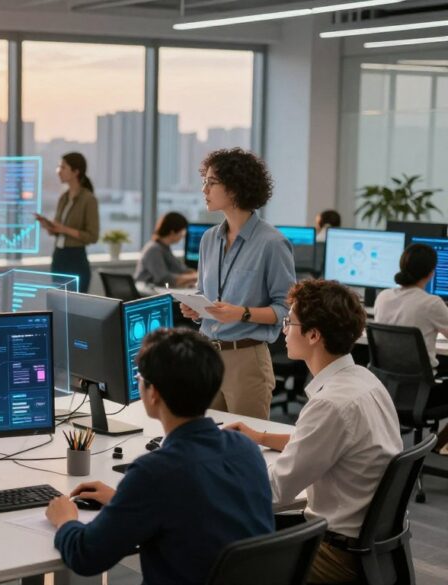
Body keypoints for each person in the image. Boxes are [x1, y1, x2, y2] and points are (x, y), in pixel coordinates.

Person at [46, 328, 273, 584]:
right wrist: (125, 502)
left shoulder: (155, 472)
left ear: (153, 393)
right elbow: (197, 510)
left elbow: (85, 556)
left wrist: (65, 520)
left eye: (140, 377)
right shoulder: (245, 450)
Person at [228, 279, 402, 584]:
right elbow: (326, 444)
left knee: (214, 557)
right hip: (372, 548)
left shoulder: (331, 405)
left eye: (289, 322)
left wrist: (210, 484)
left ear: (312, 335)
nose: (283, 330)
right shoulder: (365, 380)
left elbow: (274, 491)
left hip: (335, 556)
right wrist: (261, 438)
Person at [179, 148, 296, 418]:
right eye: (204, 181)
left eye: (211, 182)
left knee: (245, 447)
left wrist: (241, 313)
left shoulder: (273, 243)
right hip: (208, 355)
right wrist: (197, 309)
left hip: (246, 359)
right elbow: (204, 292)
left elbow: (286, 310)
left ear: (234, 189)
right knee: (206, 443)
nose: (204, 189)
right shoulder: (209, 239)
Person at [373, 243, 448, 454]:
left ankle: (435, 446)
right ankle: (439, 448)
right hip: (422, 395)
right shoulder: (432, 304)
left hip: (388, 391)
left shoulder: (383, 297)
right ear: (431, 272)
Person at [37, 152, 100, 293]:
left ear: (75, 172)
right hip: (59, 257)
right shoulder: (63, 198)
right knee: (59, 306)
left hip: (76, 259)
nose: (59, 171)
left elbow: (93, 236)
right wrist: (49, 226)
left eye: (63, 167)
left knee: (74, 308)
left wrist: (64, 229)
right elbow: (57, 231)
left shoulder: (89, 199)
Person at [134, 212, 197, 288]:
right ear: (172, 232)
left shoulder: (164, 248)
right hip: (149, 294)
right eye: (182, 231)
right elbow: (164, 279)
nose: (184, 235)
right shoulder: (154, 249)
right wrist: (195, 276)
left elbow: (180, 269)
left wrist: (193, 274)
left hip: (159, 291)